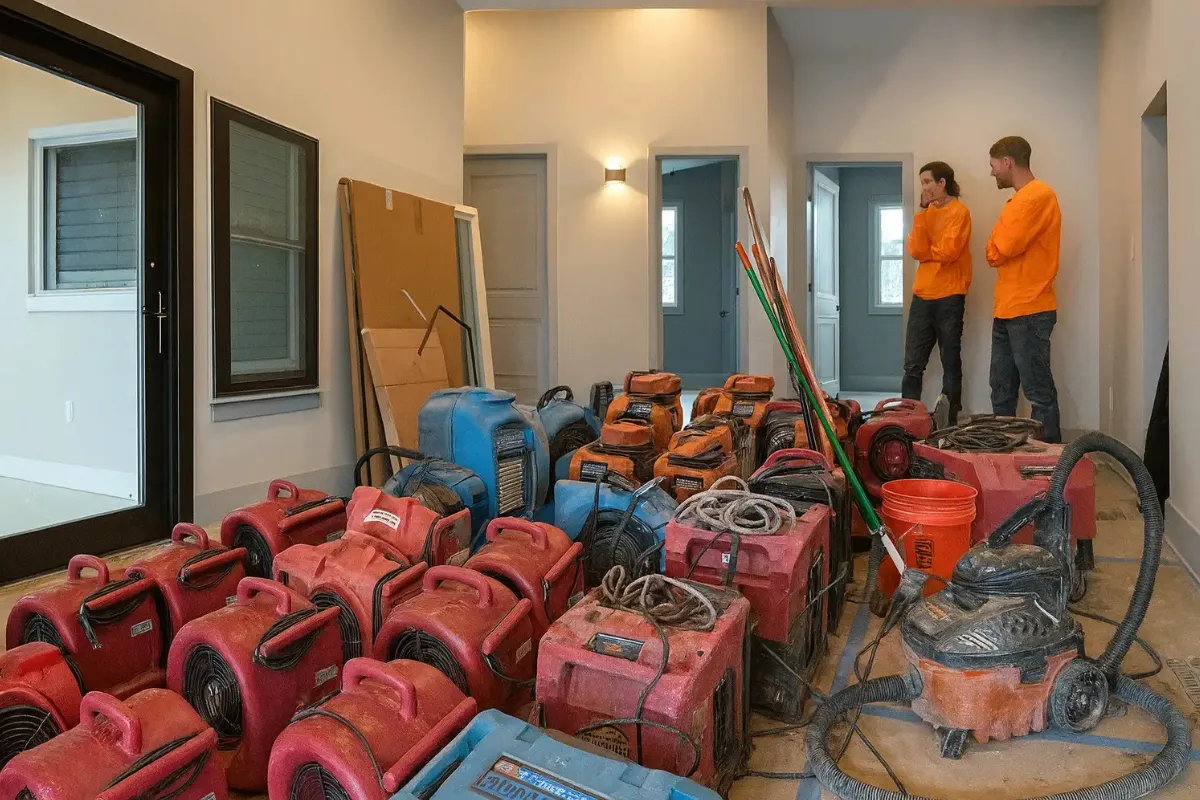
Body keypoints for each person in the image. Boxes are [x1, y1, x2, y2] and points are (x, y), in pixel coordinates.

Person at [986, 136, 1063, 442]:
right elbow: (996, 248)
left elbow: (1000, 246)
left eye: (993, 165)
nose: (992, 173)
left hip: (1031, 309)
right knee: (1001, 391)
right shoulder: (1017, 201)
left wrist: (997, 244)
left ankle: (1051, 471)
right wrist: (997, 244)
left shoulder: (1037, 196)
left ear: (1008, 161)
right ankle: (1004, 463)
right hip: (1007, 308)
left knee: (1038, 393)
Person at [903, 161, 972, 428]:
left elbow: (949, 252)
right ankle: (907, 419)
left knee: (950, 361)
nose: (925, 188)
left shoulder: (960, 212)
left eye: (929, 182)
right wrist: (922, 215)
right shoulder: (924, 215)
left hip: (950, 296)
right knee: (912, 365)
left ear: (943, 183)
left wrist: (929, 254)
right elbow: (915, 250)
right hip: (922, 296)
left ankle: (950, 420)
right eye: (922, 183)